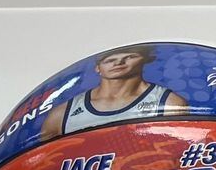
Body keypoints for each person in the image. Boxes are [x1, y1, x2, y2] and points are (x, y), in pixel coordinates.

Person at [42, 45, 187, 136]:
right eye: (109, 60)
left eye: (130, 57)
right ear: (97, 68)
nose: (118, 63)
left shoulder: (169, 103)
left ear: (146, 60)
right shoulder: (62, 114)